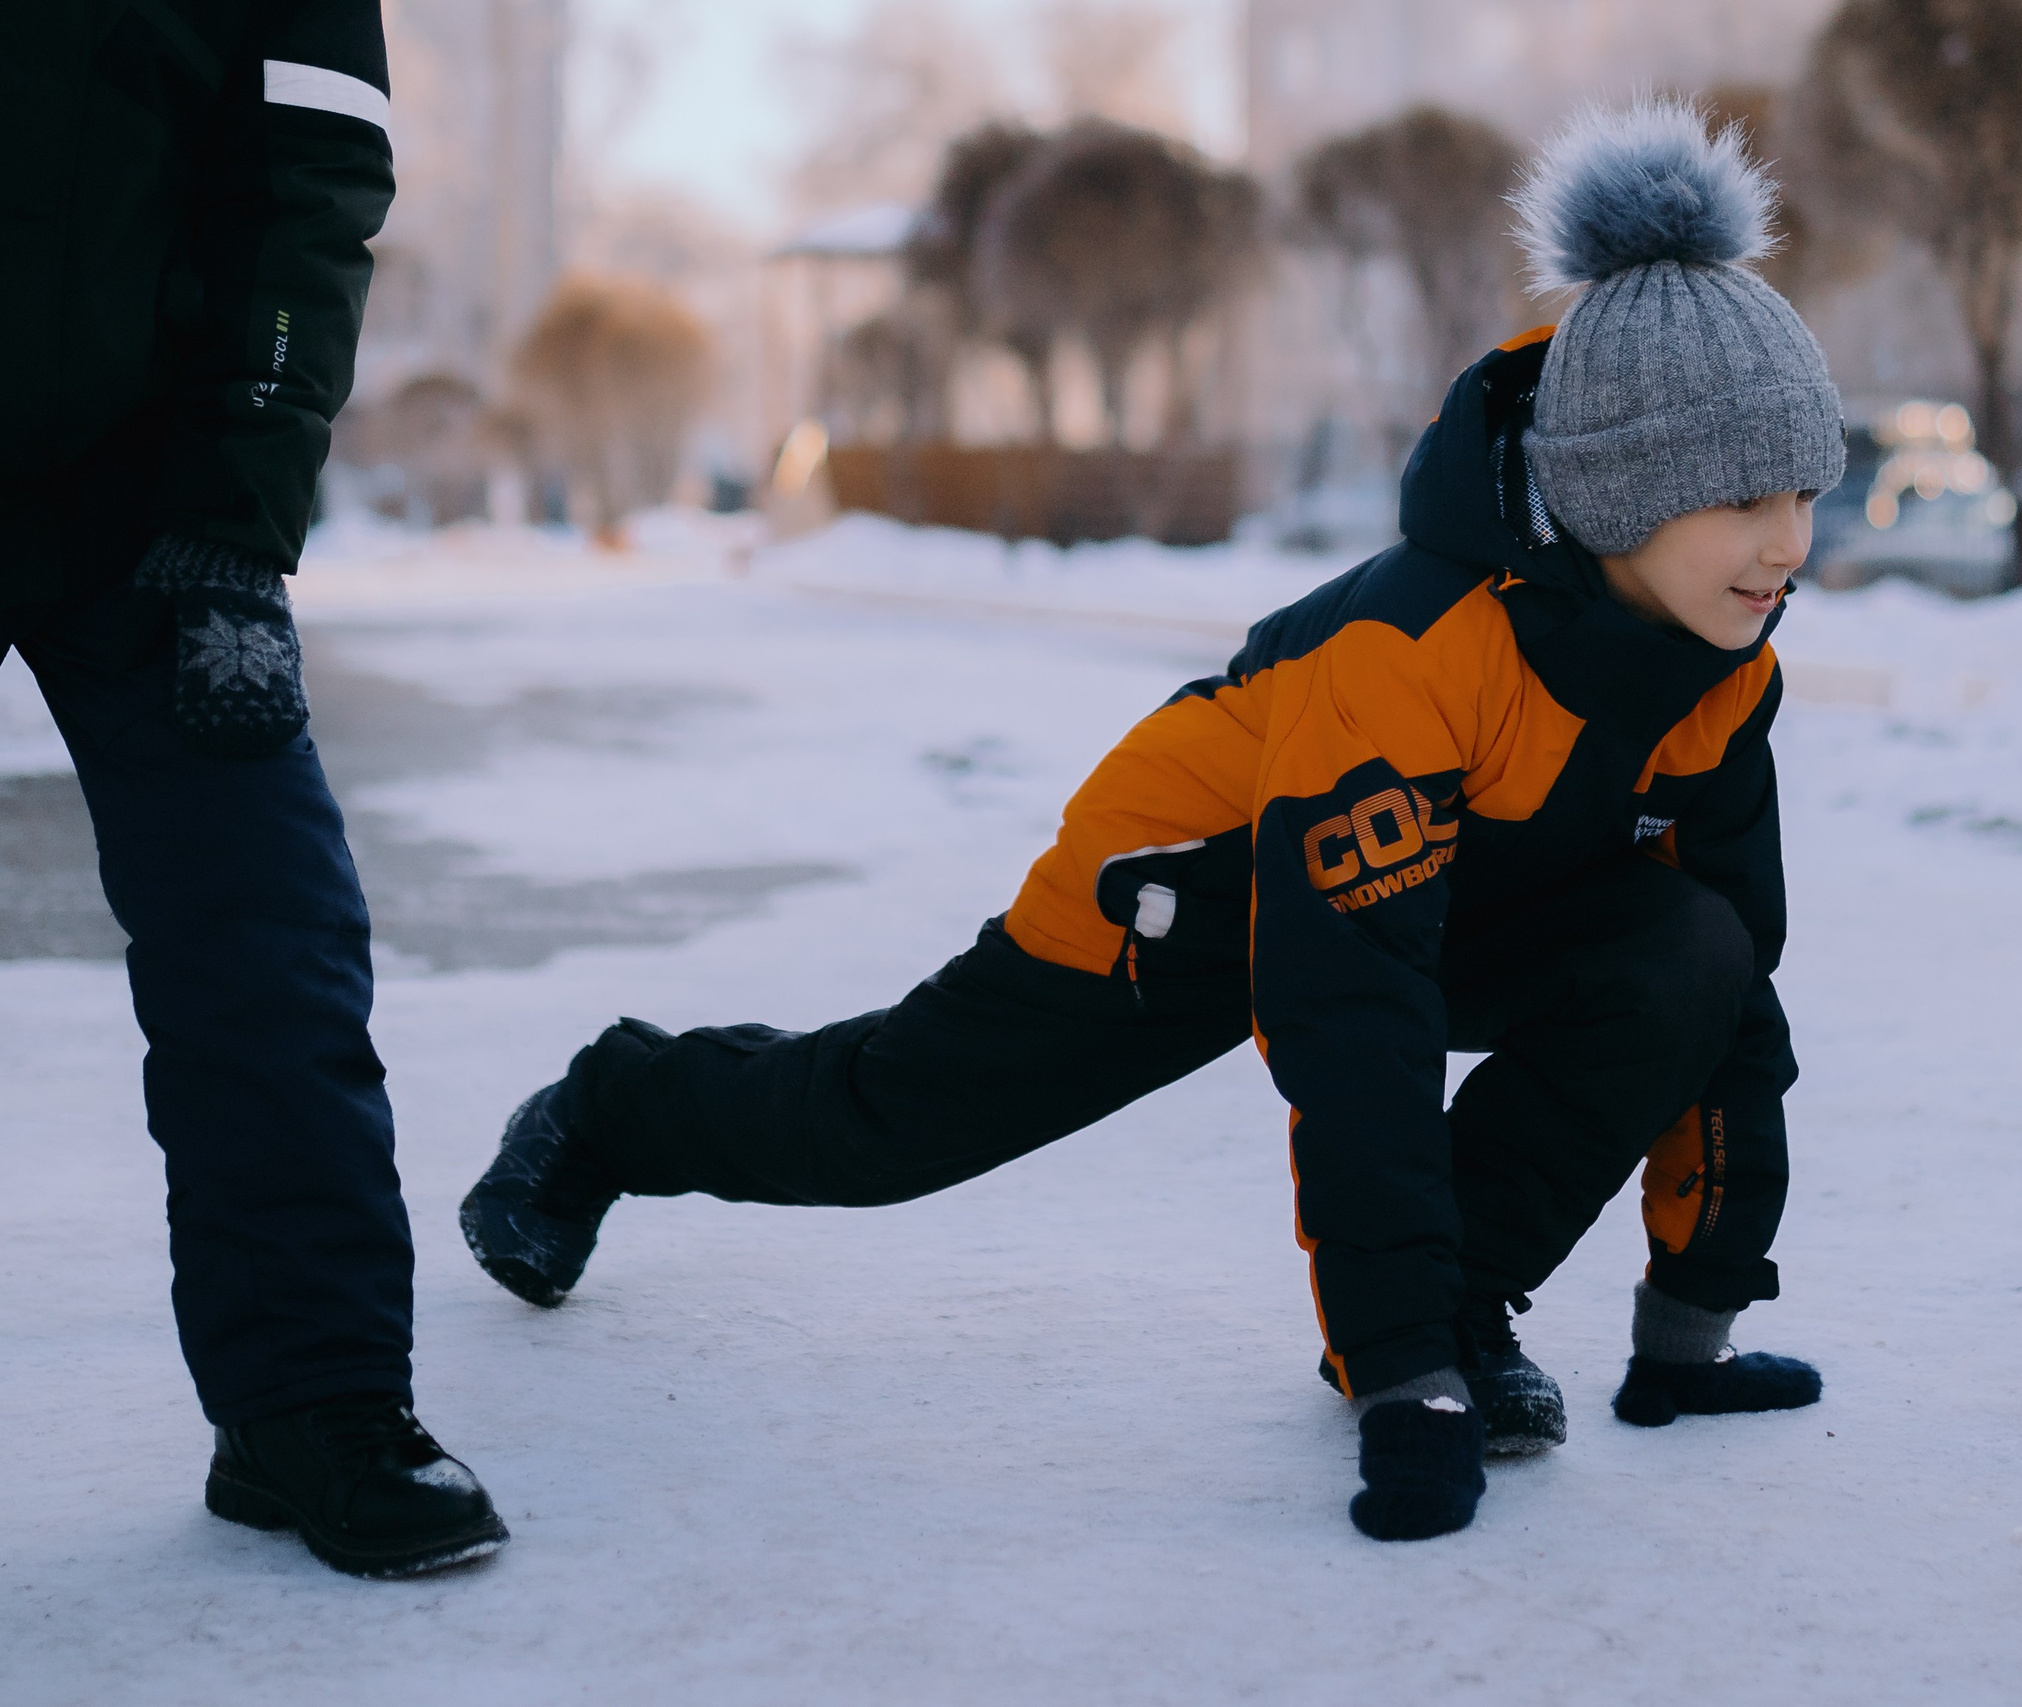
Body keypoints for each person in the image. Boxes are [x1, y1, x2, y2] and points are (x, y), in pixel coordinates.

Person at [462, 102, 1833, 1541]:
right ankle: (607, 1107)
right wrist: (1401, 1380)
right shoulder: (1414, 659)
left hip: (1455, 889)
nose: (1789, 540)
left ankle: (1468, 1303)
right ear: (1621, 490)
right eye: (1743, 496)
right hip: (1179, 892)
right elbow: (1350, 1021)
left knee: (1687, 947)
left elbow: (1739, 981)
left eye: (1806, 489)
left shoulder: (1721, 672)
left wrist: (1693, 1324)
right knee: (878, 1129)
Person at [2, 3, 506, 1574]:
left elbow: (313, 173)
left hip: (143, 500)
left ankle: (314, 1404)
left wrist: (235, 521)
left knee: (267, 935)